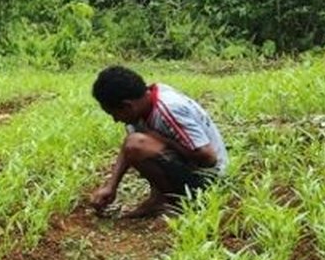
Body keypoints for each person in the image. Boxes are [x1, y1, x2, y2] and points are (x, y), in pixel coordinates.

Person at [89, 66, 228, 218]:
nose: (115, 120)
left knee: (138, 144)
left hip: (209, 181)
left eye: (114, 114)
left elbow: (209, 158)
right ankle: (160, 199)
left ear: (128, 105)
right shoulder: (143, 104)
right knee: (136, 144)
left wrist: (162, 140)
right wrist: (111, 186)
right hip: (189, 166)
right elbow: (129, 149)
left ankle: (184, 203)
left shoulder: (169, 108)